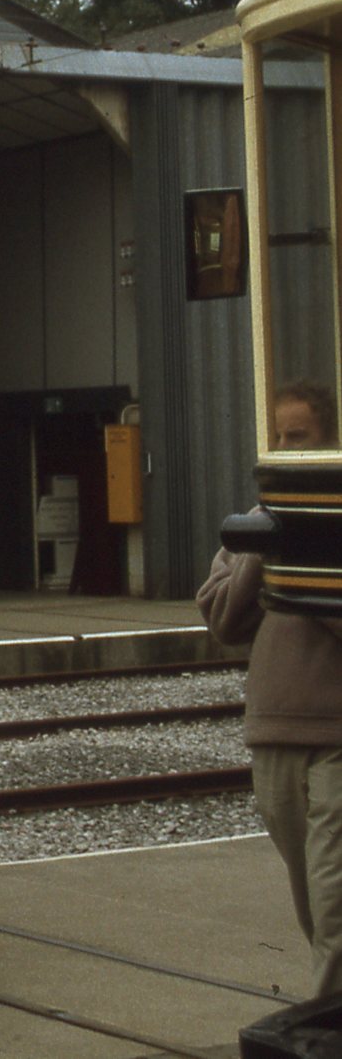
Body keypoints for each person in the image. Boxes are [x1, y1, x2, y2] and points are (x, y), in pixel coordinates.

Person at [198, 379, 342, 994]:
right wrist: (271, 544)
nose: (286, 448)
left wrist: (311, 552)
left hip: (336, 734)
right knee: (312, 901)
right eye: (278, 438)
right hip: (274, 730)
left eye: (299, 438)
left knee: (336, 900)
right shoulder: (257, 523)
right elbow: (222, 618)